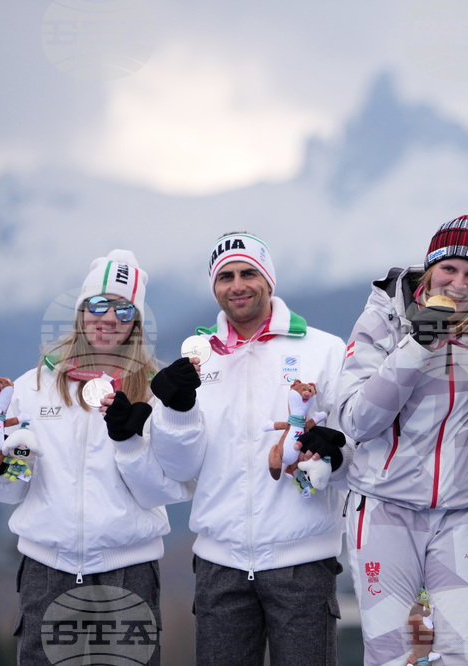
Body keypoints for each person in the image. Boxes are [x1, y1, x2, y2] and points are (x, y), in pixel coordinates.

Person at [0, 249, 192, 665]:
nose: (109, 318)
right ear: (80, 311)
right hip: (46, 567)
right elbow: (7, 491)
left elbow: (165, 489)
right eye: (98, 304)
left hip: (128, 569)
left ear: (136, 323)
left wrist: (129, 442)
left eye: (124, 310)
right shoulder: (33, 386)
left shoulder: (154, 389)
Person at [147, 232, 349, 665]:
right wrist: (177, 410)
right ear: (215, 287)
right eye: (225, 277)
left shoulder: (325, 350)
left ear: (269, 280)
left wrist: (336, 451)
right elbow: (179, 467)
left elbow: (354, 445)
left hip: (303, 560)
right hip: (220, 564)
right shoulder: (195, 359)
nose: (236, 285)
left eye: (248, 273)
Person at [338, 215, 468, 665]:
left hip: (462, 511)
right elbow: (355, 419)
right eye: (449, 269)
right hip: (385, 506)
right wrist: (415, 347)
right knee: (393, 652)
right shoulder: (384, 319)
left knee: (466, 652)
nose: (459, 283)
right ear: (429, 269)